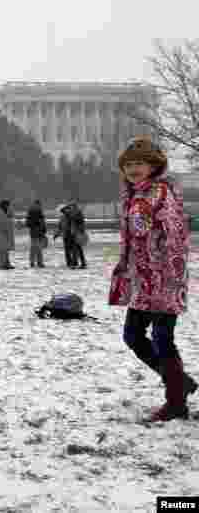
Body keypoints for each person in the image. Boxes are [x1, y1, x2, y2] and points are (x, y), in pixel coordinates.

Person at [109, 135, 196, 421]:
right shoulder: (133, 193)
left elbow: (175, 234)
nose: (134, 168)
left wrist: (168, 273)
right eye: (129, 164)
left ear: (153, 165)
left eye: (140, 163)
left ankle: (175, 403)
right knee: (132, 335)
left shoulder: (161, 192)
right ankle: (178, 382)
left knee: (162, 337)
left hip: (165, 277)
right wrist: (125, 265)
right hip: (141, 277)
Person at [0, 199, 15, 270]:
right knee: (2, 251)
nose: (9, 207)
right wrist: (10, 217)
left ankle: (6, 264)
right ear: (5, 205)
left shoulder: (3, 212)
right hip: (2, 235)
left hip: (5, 235)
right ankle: (2, 265)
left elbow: (8, 221)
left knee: (6, 251)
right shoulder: (0, 213)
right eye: (8, 205)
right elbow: (4, 224)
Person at [24, 200, 47, 268]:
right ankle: (38, 262)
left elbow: (28, 223)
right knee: (37, 248)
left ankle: (34, 262)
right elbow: (42, 223)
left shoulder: (31, 212)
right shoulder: (36, 212)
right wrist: (42, 229)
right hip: (36, 233)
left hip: (35, 233)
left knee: (35, 248)